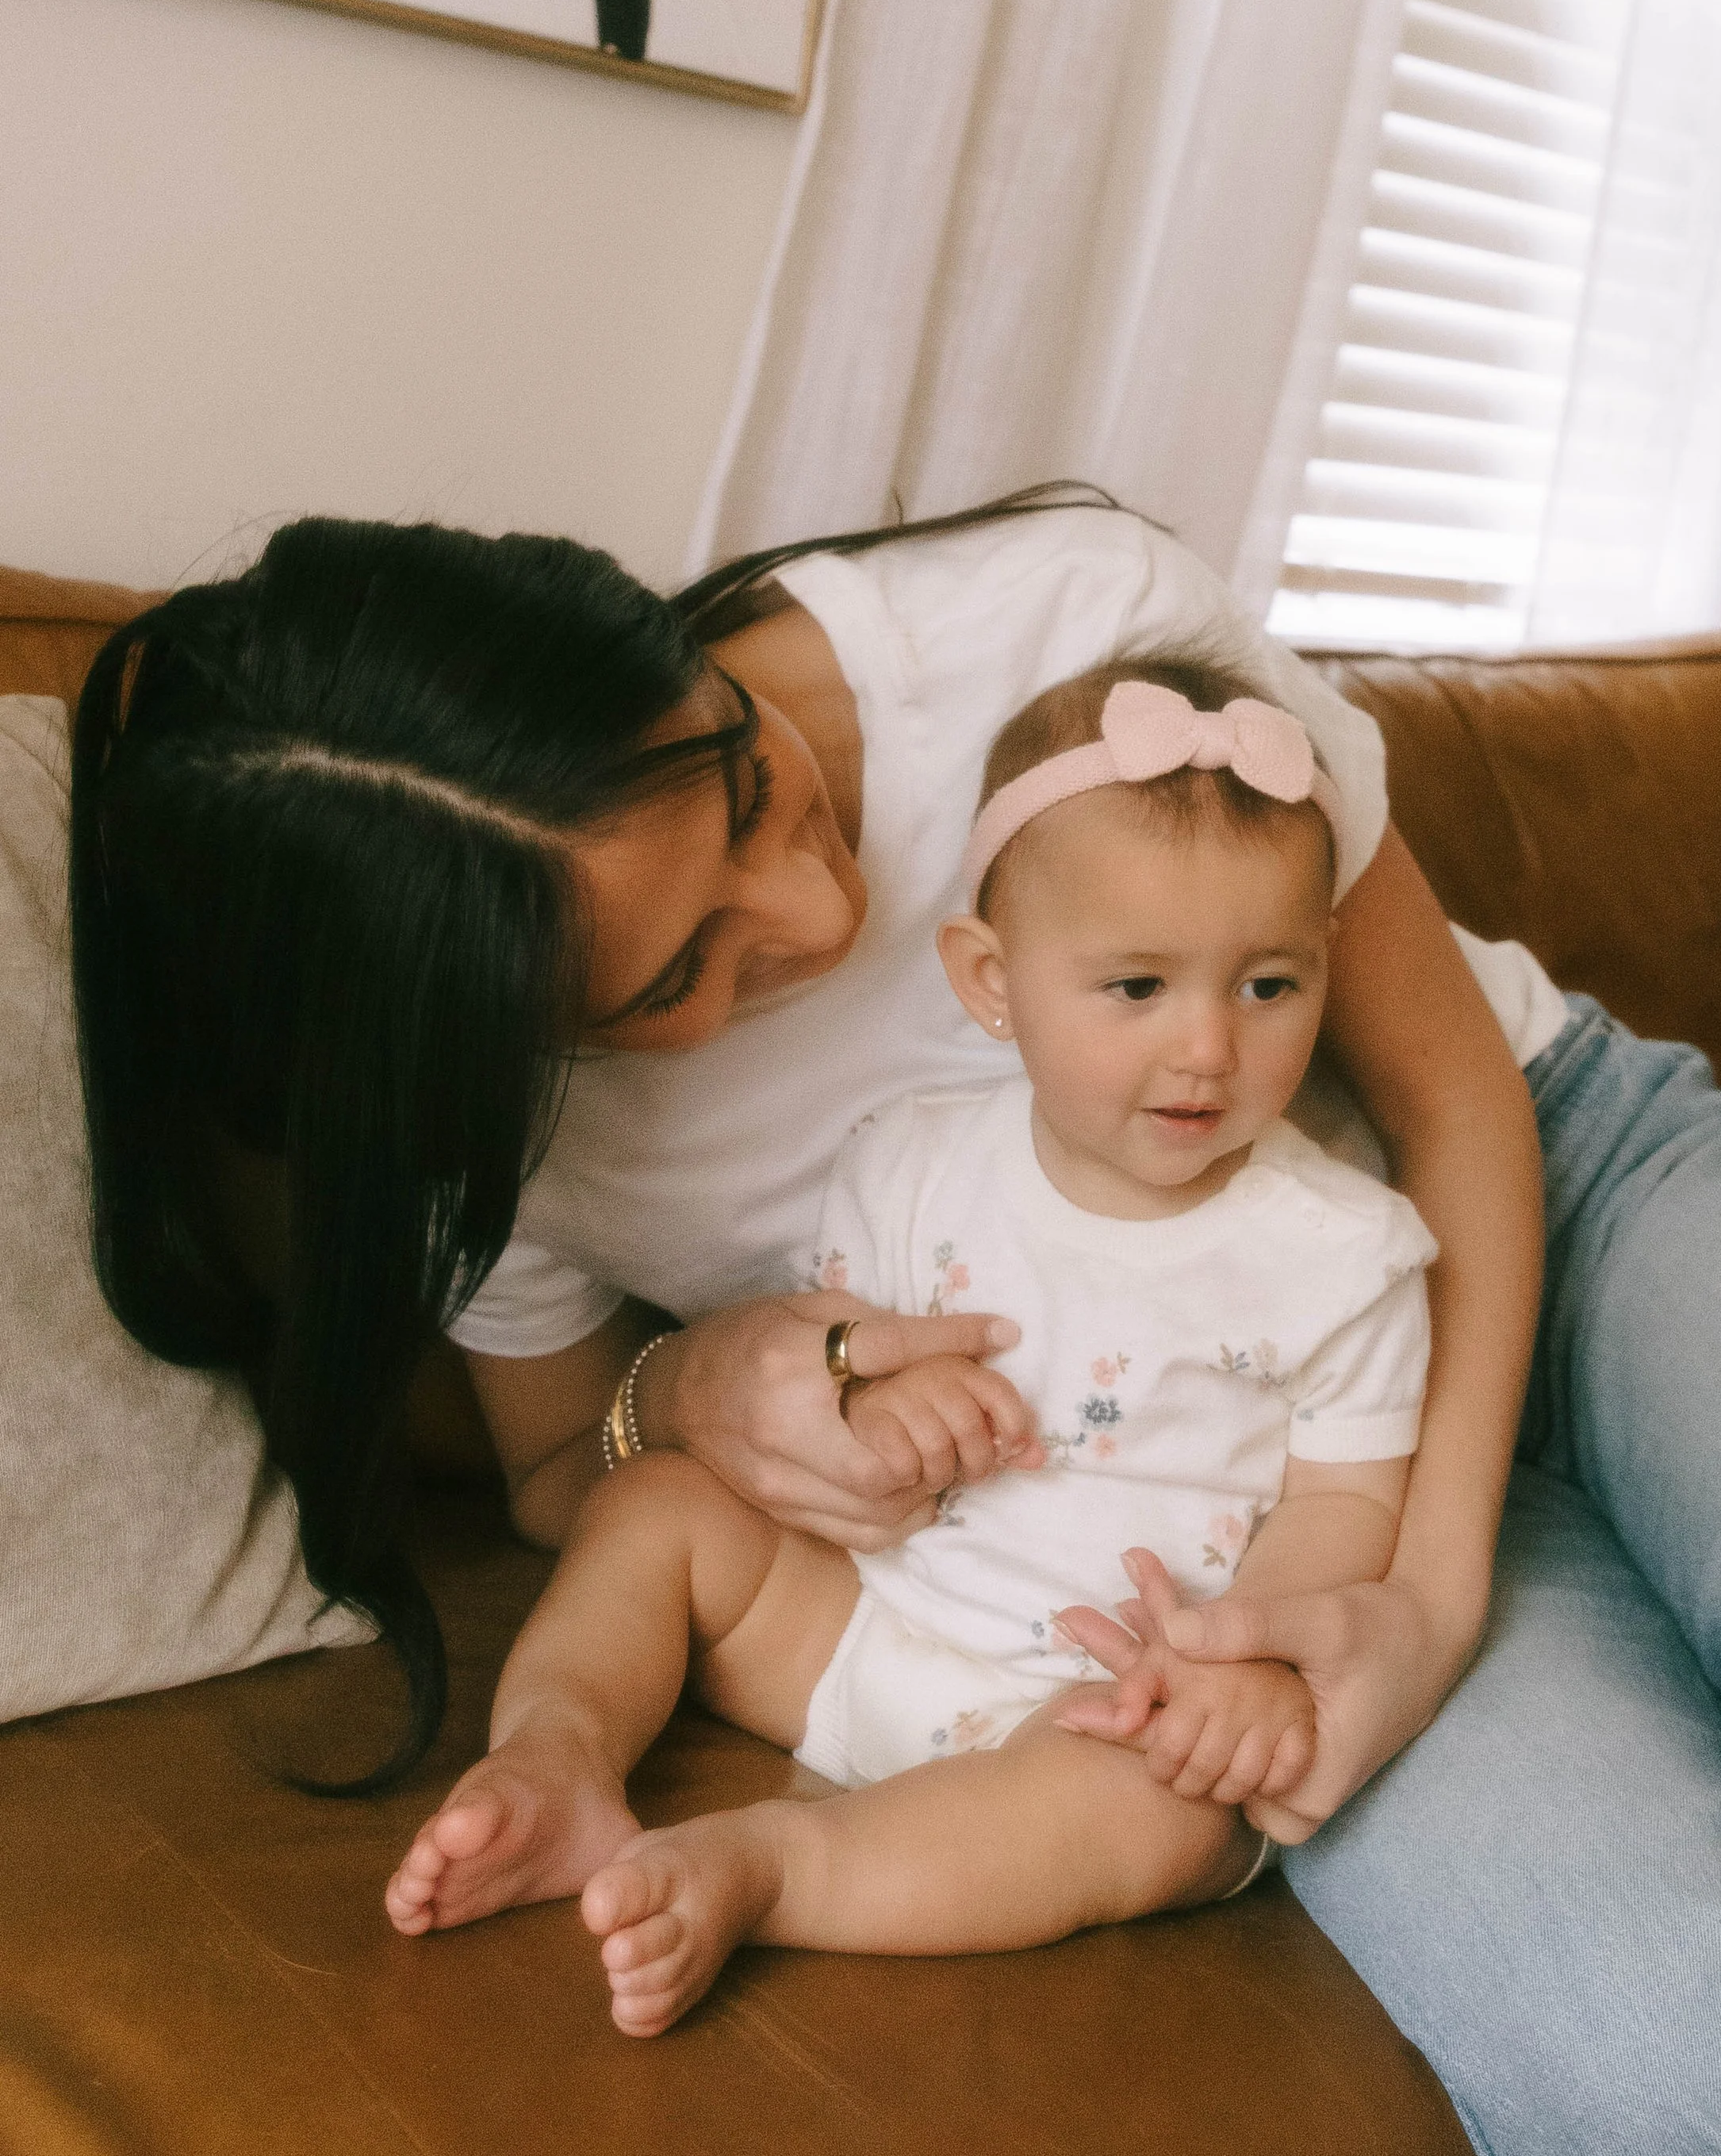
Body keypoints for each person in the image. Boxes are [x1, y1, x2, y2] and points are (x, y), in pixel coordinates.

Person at [69, 490, 1721, 2156]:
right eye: (670, 987)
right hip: (1213, 1523)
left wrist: (1428, 1586)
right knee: (1705, 2086)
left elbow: (1437, 1091)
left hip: (1561, 1191)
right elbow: (574, 1467)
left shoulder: (1041, 624)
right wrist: (705, 1386)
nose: (811, 917)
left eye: (745, 795)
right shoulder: (506, 1148)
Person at [382, 654, 1438, 2027]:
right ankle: (558, 1755)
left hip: (1101, 1701)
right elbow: (833, 1393)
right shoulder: (914, 1163)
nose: (1205, 1048)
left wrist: (1237, 1660)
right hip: (863, 1618)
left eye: (1269, 986)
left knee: (1173, 1814)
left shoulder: (1344, 1253)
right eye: (1135, 986)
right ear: (992, 981)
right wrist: (885, 1416)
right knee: (660, 1503)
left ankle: (777, 1867)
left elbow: (1349, 1503)